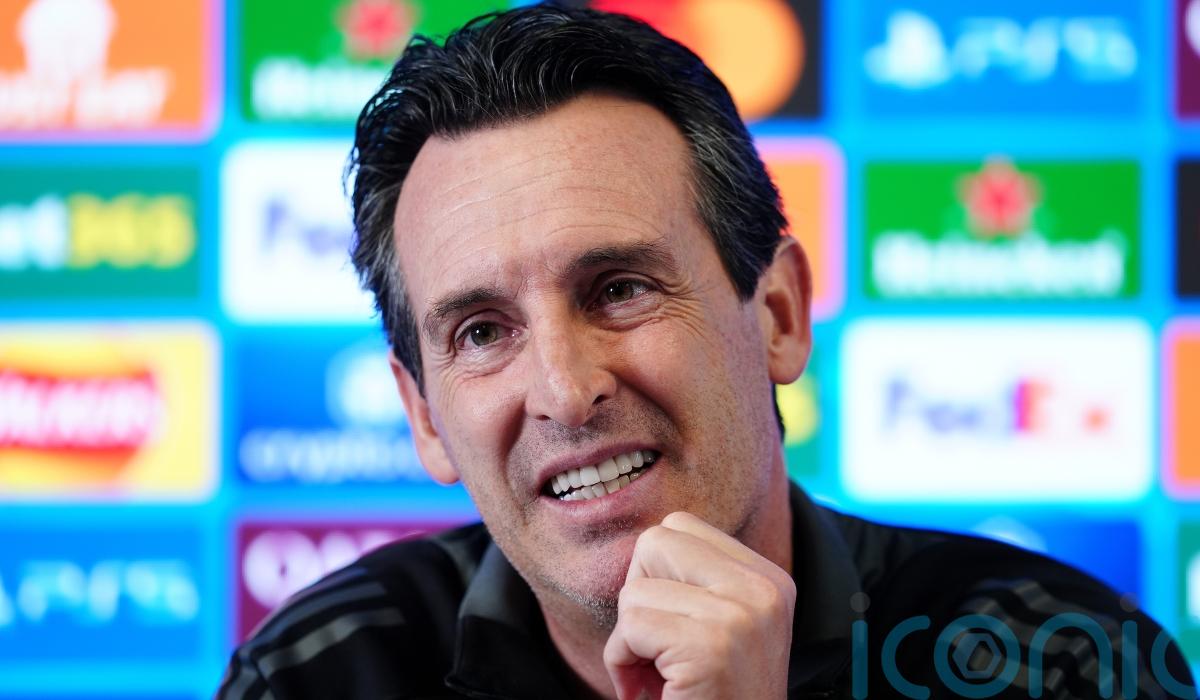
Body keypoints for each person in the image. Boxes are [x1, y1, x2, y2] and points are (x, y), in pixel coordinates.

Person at [218, 5, 1195, 698]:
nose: (566, 389)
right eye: (481, 332)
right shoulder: (316, 675)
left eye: (619, 289)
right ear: (425, 414)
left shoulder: (1063, 662)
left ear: (777, 314)